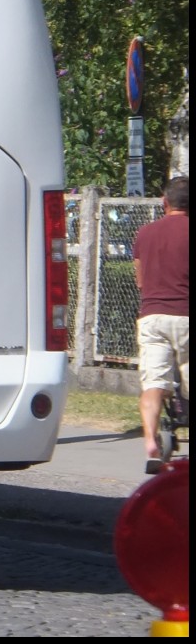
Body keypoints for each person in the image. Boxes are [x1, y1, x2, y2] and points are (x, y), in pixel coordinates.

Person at [132, 175, 189, 470]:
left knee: (154, 383)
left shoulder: (145, 233)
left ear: (164, 202)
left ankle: (151, 444)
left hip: (153, 315)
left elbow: (140, 280)